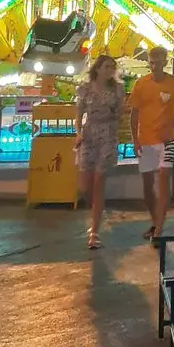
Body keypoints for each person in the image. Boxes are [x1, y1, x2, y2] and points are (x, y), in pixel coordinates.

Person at [129, 46, 174, 242]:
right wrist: (135, 139)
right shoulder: (141, 84)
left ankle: (158, 230)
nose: (154, 65)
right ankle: (156, 222)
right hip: (146, 140)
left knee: (163, 181)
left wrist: (171, 124)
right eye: (151, 62)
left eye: (158, 62)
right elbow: (134, 113)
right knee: (148, 188)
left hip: (166, 140)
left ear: (165, 62)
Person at [73, 54, 124, 250]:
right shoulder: (85, 89)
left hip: (108, 135)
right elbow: (78, 114)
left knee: (99, 181)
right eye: (106, 66)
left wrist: (118, 111)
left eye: (113, 67)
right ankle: (94, 211)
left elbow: (121, 112)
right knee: (85, 186)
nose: (110, 70)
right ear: (98, 68)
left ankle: (94, 232)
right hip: (89, 135)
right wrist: (78, 134)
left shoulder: (117, 89)